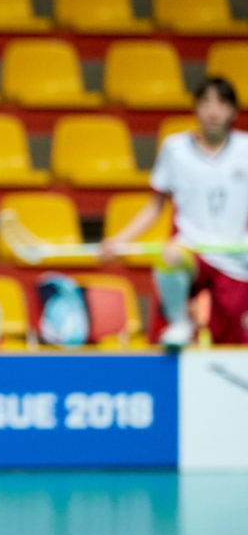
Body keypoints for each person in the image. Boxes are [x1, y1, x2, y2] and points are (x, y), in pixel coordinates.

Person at [101, 77, 248, 347]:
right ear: (196, 109)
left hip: (235, 256)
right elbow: (155, 205)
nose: (213, 111)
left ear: (233, 111)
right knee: (169, 254)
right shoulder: (175, 149)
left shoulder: (245, 149)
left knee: (231, 342)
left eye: (222, 103)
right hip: (191, 250)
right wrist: (120, 240)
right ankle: (180, 321)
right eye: (206, 102)